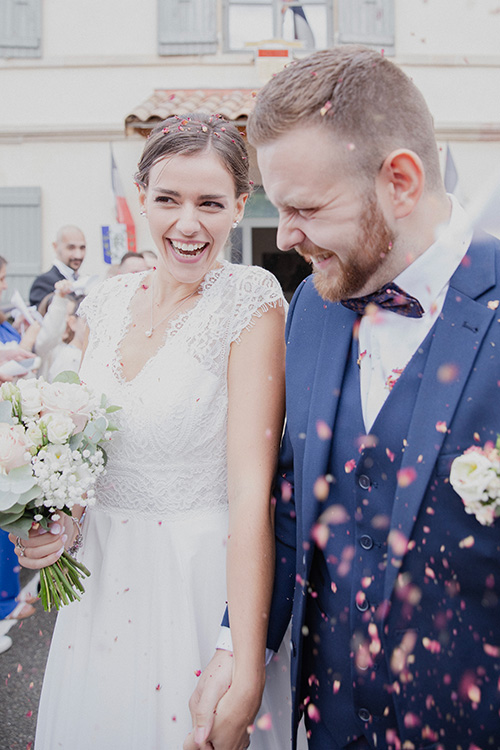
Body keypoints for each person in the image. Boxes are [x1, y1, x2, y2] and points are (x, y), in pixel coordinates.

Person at [187, 46, 500, 749]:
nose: (284, 234)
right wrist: (240, 649)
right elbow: (296, 505)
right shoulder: (310, 307)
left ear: (401, 181)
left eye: (304, 207)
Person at [12, 113, 288, 750]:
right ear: (142, 198)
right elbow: (83, 452)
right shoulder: (106, 303)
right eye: (168, 199)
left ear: (240, 207)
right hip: (104, 583)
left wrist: (242, 661)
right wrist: (60, 524)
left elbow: (254, 495)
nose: (187, 224)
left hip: (197, 579)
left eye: (210, 204)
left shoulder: (252, 298)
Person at [29, 226, 86, 308]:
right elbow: (40, 318)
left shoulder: (81, 280)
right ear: (56, 247)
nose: (78, 255)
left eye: (82, 248)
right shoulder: (43, 282)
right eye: (71, 248)